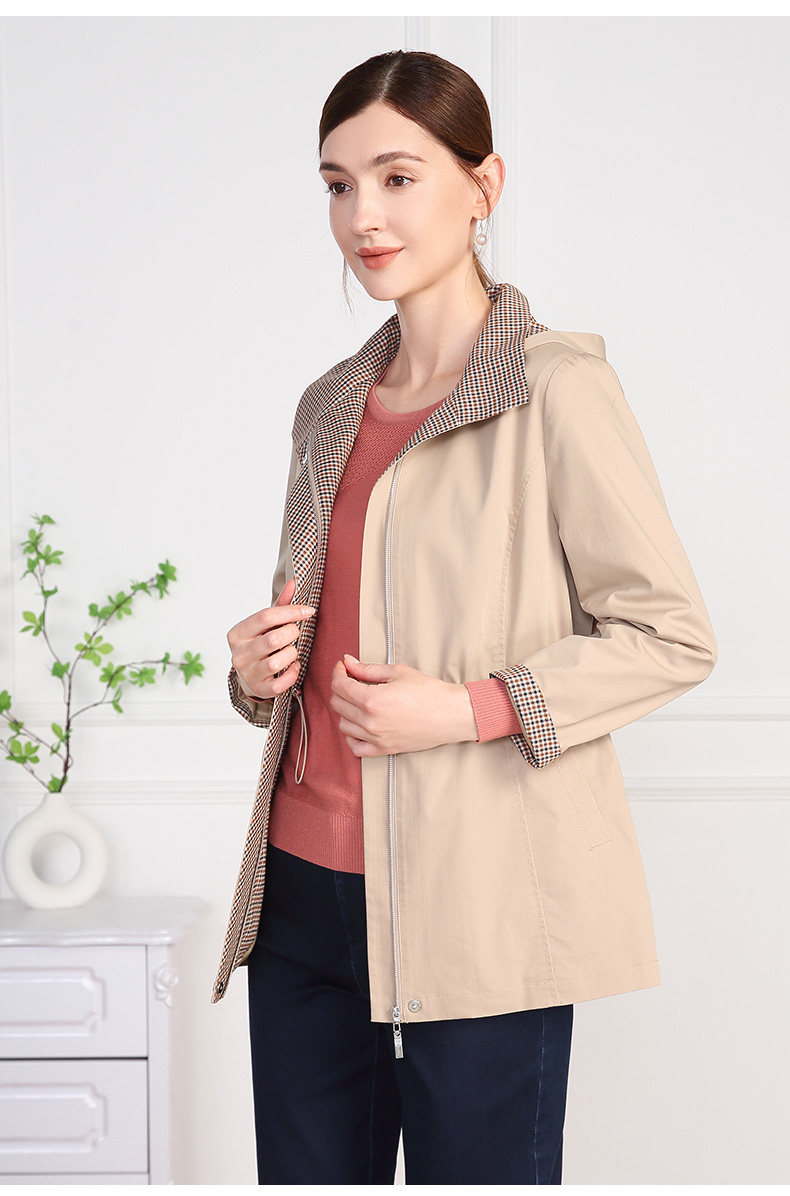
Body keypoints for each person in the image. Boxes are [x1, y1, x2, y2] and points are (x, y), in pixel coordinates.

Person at [214, 50, 718, 1185]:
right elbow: (316, 624)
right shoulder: (327, 406)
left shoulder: (556, 389)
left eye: (399, 177)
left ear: (483, 184)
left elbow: (672, 633)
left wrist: (468, 708)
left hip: (477, 898)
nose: (363, 215)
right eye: (338, 184)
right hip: (299, 898)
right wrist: (257, 669)